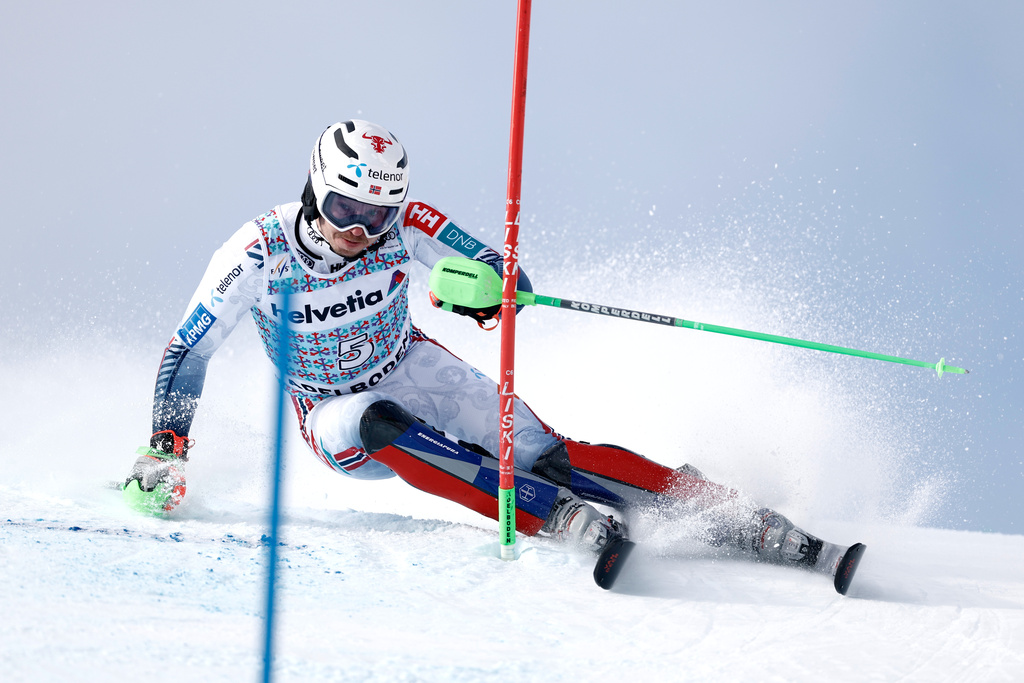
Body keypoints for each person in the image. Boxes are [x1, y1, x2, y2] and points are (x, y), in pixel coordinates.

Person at [123, 119, 863, 591]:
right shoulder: (257, 249)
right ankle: (559, 518)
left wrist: (492, 290)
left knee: (545, 448)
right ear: (316, 188)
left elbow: (491, 263)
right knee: (380, 421)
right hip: (332, 409)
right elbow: (191, 347)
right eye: (346, 208)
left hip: (411, 360)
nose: (359, 228)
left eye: (375, 214)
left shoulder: (401, 223)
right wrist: (167, 447)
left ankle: (736, 517)